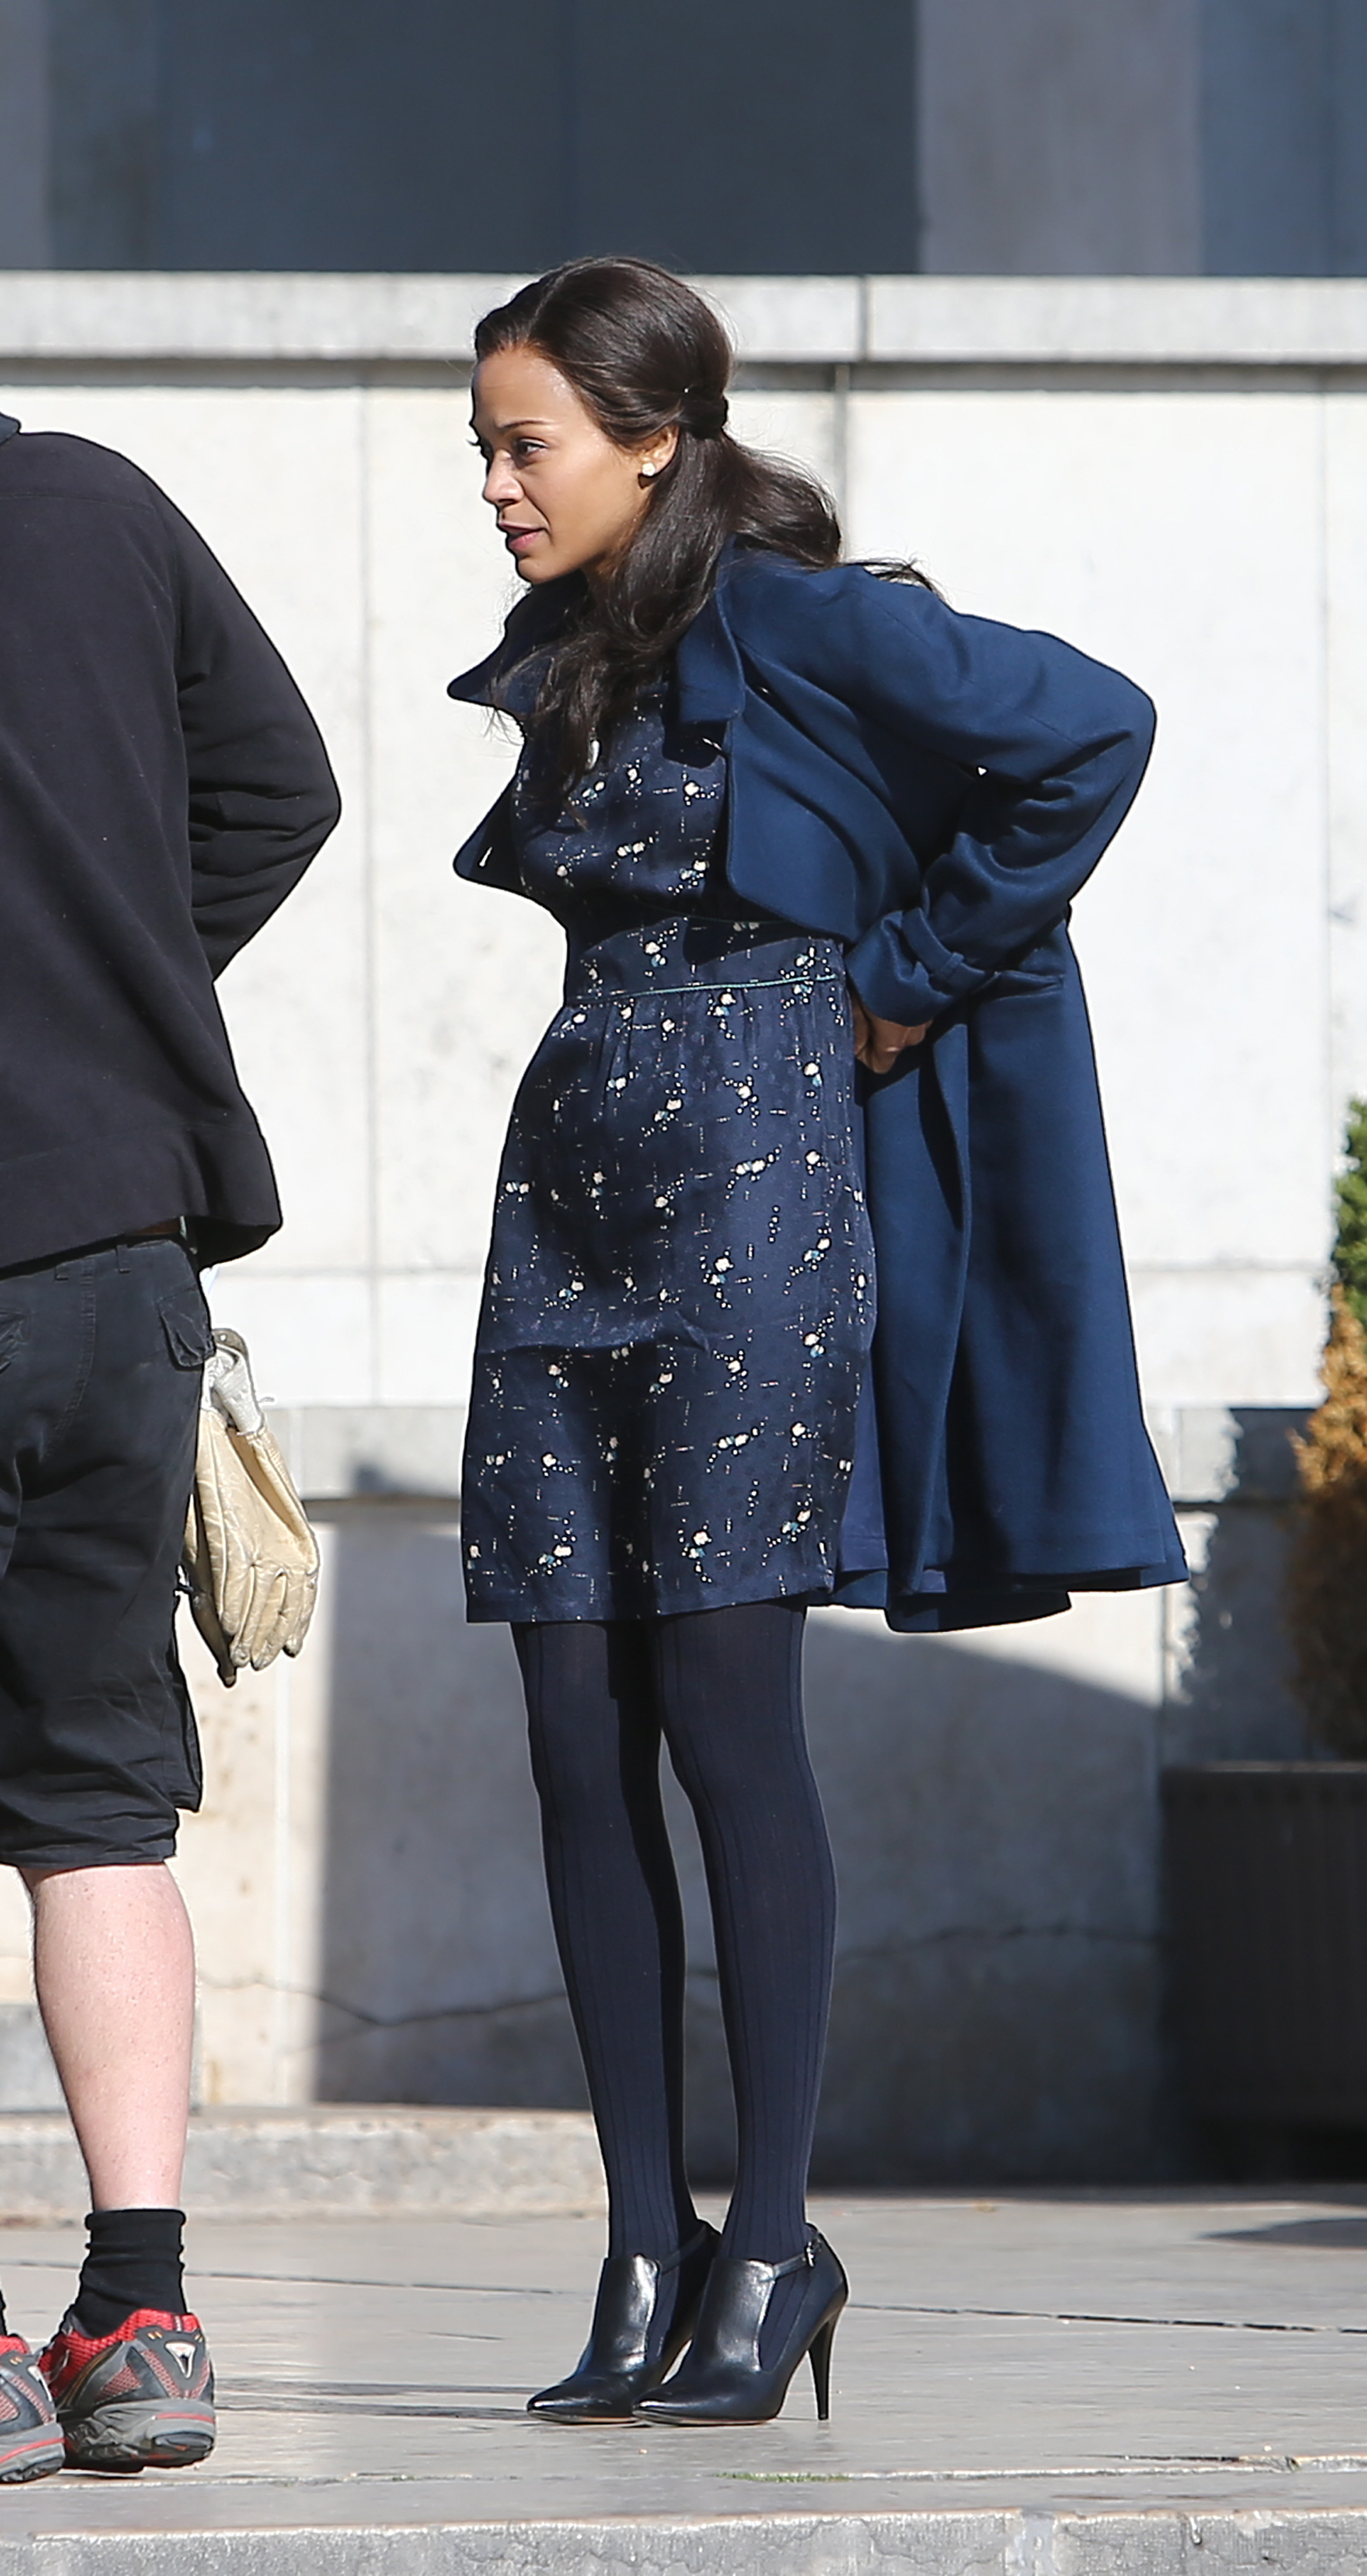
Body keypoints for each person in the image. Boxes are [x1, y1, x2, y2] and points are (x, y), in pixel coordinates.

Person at [448, 257, 1185, 2428]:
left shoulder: (796, 613)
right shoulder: (573, 651)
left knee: (724, 1712)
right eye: (482, 449)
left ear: (652, 438)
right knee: (571, 1723)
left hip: (763, 1195)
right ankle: (642, 2245)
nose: (495, 486)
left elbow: (1097, 726)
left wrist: (908, 971)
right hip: (566, 1192)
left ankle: (772, 2241)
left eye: (526, 444)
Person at [0, 411, 339, 2477]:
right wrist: (118, 977)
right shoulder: (99, 506)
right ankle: (141, 2315)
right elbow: (284, 788)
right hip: (116, 1249)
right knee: (96, 1803)